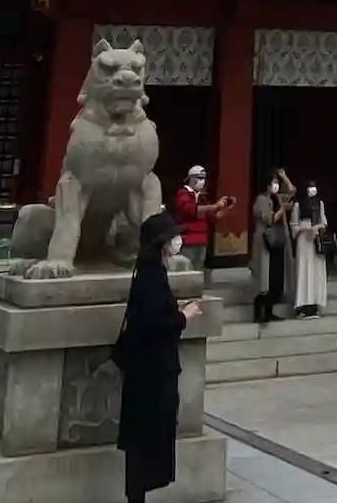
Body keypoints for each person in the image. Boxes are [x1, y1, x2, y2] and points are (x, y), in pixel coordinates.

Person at [113, 210, 202, 503]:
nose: (177, 242)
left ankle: (137, 495)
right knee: (146, 439)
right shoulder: (151, 275)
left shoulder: (149, 271)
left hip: (147, 368)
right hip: (151, 370)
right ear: (160, 243)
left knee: (143, 439)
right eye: (172, 237)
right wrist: (183, 317)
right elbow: (152, 323)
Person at [250, 169, 293, 325]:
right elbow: (269, 218)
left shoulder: (277, 198)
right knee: (264, 281)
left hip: (278, 242)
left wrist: (284, 177)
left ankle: (269, 312)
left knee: (275, 279)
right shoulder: (261, 200)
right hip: (265, 242)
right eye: (273, 182)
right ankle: (259, 313)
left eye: (277, 183)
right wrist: (282, 210)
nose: (276, 185)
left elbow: (292, 192)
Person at [172, 165, 234, 273]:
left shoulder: (202, 197)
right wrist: (214, 206)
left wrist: (226, 208)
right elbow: (191, 210)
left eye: (204, 178)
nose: (202, 181)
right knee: (186, 271)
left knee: (198, 272)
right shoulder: (183, 194)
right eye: (199, 178)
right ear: (191, 178)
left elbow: (214, 217)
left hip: (202, 241)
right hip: (188, 241)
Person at [291, 180, 329, 318]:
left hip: (316, 240)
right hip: (304, 241)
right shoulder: (298, 205)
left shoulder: (320, 203)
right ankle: (302, 306)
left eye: (314, 186)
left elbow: (324, 222)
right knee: (304, 271)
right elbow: (294, 225)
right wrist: (305, 228)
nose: (312, 189)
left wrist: (317, 227)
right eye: (309, 186)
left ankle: (315, 304)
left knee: (316, 272)